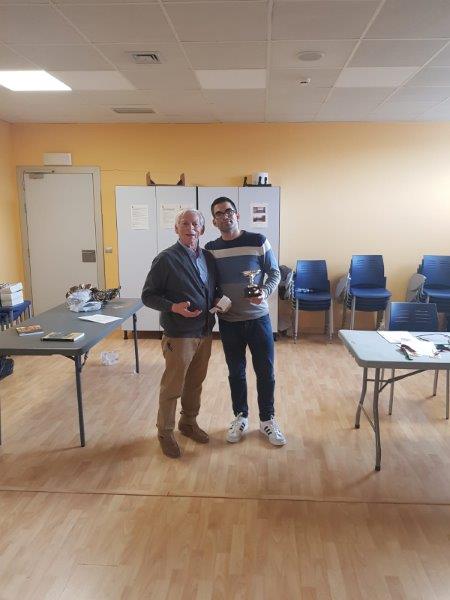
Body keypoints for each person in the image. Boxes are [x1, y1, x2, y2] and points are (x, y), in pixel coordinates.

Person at [205, 197, 286, 446]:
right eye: (219, 214)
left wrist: (264, 291)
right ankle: (240, 417)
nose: (225, 216)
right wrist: (215, 298)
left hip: (258, 319)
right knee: (236, 372)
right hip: (229, 321)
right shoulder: (210, 249)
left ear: (237, 215)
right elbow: (209, 283)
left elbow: (274, 272)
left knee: (265, 372)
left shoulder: (258, 241)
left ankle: (267, 420)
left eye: (229, 211)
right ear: (214, 221)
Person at [142, 209, 219, 458]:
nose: (190, 228)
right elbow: (148, 296)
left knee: (195, 383)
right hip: (179, 334)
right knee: (172, 386)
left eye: (195, 224)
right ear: (176, 229)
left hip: (205, 331)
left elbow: (213, 288)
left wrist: (218, 300)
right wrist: (173, 307)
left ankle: (188, 423)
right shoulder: (166, 259)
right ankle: (165, 432)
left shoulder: (208, 258)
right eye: (184, 223)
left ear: (202, 229)